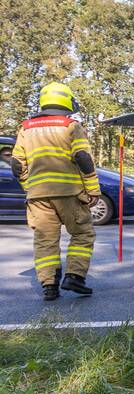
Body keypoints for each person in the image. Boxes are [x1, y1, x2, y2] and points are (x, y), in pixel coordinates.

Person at [11, 82, 100, 300]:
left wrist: (29, 186)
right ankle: (74, 276)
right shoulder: (71, 125)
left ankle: (49, 286)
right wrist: (93, 189)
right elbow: (83, 158)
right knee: (82, 233)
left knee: (45, 240)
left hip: (38, 197)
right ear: (66, 101)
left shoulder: (26, 128)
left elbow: (16, 165)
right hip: (69, 193)